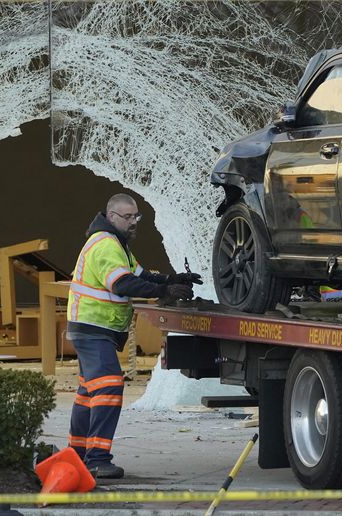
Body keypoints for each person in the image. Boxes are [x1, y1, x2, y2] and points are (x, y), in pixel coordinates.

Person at [66, 193, 202, 479]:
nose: (134, 222)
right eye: (128, 217)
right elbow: (122, 283)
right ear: (112, 216)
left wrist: (170, 279)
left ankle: (76, 455)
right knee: (109, 387)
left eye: (136, 217)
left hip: (92, 328)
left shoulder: (117, 244)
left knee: (88, 391)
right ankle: (97, 459)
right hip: (94, 328)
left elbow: (141, 275)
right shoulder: (104, 244)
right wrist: (163, 293)